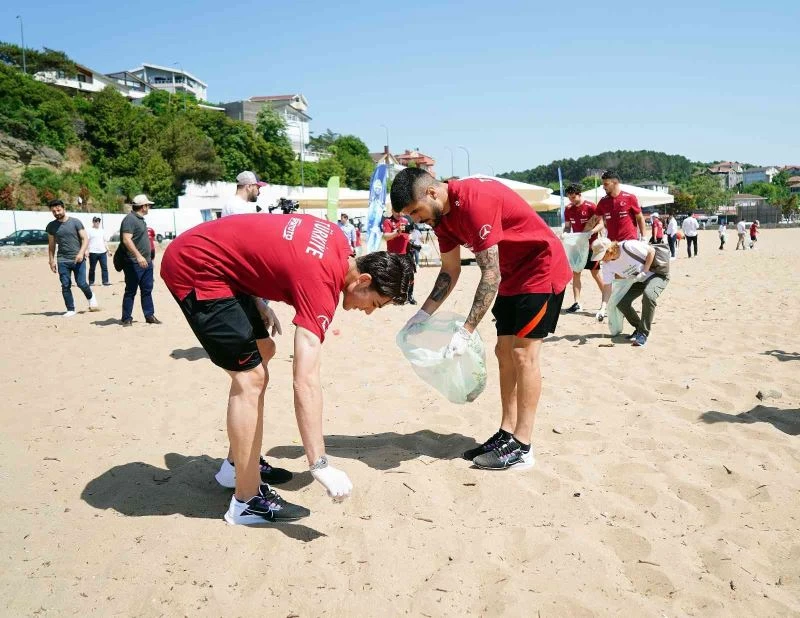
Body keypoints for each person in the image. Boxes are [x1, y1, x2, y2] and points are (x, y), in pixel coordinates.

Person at [160, 214, 413, 525]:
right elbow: (305, 381)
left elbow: (258, 245)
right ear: (363, 280)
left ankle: (236, 466)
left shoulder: (336, 238)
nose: (369, 311)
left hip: (220, 264)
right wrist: (319, 463)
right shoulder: (321, 288)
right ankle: (246, 502)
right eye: (375, 303)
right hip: (195, 267)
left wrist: (258, 300)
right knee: (250, 378)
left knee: (264, 350)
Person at [390, 168, 571, 471]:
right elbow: (450, 270)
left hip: (541, 267)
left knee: (523, 354)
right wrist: (423, 313)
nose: (416, 220)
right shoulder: (441, 219)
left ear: (432, 193)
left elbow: (490, 273)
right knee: (504, 352)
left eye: (416, 211)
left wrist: (466, 330)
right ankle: (507, 432)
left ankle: (523, 446)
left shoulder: (474, 201)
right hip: (512, 275)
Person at [590, 237, 669, 348]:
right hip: (638, 280)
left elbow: (651, 251)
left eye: (602, 256)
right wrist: (602, 308)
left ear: (609, 251)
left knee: (649, 296)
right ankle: (638, 328)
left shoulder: (628, 246)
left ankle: (643, 333)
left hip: (656, 274)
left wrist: (645, 271)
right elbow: (607, 287)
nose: (601, 260)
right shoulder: (607, 266)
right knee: (621, 302)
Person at [594, 171, 646, 322]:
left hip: (630, 244)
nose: (603, 187)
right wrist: (585, 233)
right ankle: (619, 306)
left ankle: (626, 304)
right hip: (612, 247)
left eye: (606, 184)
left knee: (635, 275)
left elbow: (639, 217)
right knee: (616, 277)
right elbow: (596, 219)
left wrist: (643, 237)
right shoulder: (603, 202)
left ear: (615, 182)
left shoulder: (629, 197)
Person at [46, 199, 99, 317]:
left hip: (78, 258)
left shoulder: (75, 222)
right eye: (53, 211)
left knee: (81, 283)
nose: (56, 213)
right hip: (62, 259)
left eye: (58, 210)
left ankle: (91, 297)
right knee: (65, 284)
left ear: (64, 208)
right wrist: (51, 260)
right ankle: (70, 309)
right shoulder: (51, 226)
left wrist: (81, 253)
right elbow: (51, 245)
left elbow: (85, 238)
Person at [120, 194, 161, 326]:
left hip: (147, 262)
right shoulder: (130, 219)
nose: (149, 207)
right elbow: (126, 239)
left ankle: (149, 315)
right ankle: (126, 318)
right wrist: (138, 256)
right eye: (148, 205)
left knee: (147, 289)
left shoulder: (140, 219)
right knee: (131, 290)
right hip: (133, 262)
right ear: (143, 206)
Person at [562, 184, 603, 313]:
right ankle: (577, 303)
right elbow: (568, 226)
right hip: (577, 246)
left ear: (579, 194)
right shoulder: (568, 209)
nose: (572, 200)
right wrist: (565, 233)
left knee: (595, 273)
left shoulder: (591, 206)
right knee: (576, 273)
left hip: (592, 246)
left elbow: (601, 224)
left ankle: (608, 299)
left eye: (574, 197)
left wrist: (591, 232)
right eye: (569, 198)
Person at [382, 211, 416, 304]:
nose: (398, 213)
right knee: (396, 277)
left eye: (400, 211)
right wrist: (397, 231)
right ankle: (396, 297)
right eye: (396, 211)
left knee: (410, 276)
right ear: (392, 210)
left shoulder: (405, 220)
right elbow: (385, 236)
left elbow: (409, 234)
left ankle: (410, 296)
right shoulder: (388, 221)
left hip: (406, 254)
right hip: (393, 255)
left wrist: (412, 242)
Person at [87, 216, 111, 286]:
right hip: (93, 252)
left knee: (104, 267)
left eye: (98, 221)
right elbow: (87, 241)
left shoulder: (102, 231)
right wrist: (86, 250)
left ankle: (105, 281)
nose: (97, 222)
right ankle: (91, 282)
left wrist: (108, 250)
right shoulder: (89, 230)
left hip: (102, 252)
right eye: (95, 221)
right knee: (92, 268)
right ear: (93, 222)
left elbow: (105, 241)